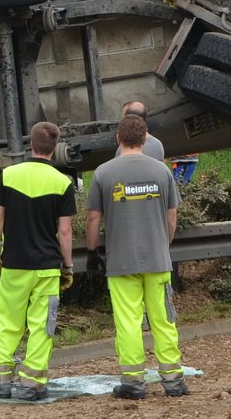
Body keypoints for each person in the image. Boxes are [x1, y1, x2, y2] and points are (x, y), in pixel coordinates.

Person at [86, 114, 188, 399]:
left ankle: (133, 383)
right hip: (156, 260)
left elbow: (93, 218)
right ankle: (173, 381)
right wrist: (162, 245)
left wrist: (93, 251)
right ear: (145, 139)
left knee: (128, 321)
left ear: (118, 139)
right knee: (162, 319)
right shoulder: (161, 171)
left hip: (121, 262)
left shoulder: (103, 172)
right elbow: (171, 216)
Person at [0, 121, 76, 401]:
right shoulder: (63, 183)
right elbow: (65, 231)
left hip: (13, 264)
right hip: (47, 267)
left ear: (31, 145)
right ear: (55, 148)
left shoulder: (9, 175)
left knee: (9, 321)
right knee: (40, 325)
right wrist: (68, 266)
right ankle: (31, 385)